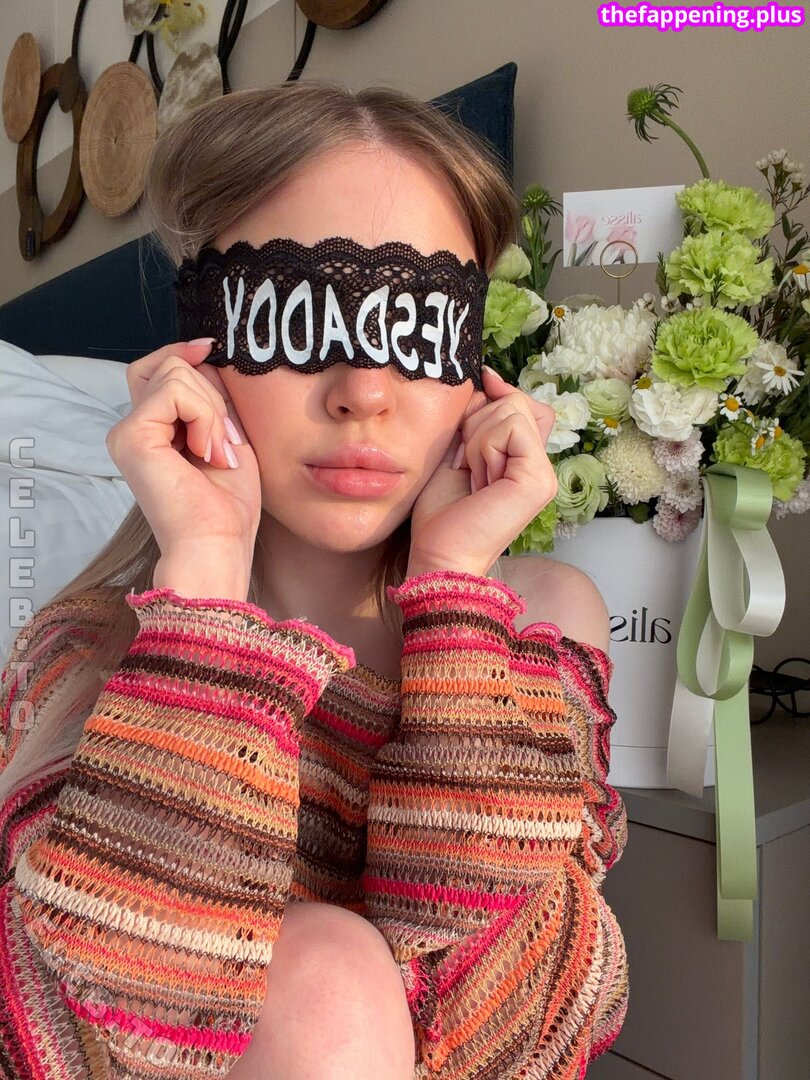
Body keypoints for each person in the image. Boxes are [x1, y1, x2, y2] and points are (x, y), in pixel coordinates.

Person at [0, 81, 629, 1079]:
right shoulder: (80, 657)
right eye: (299, 319)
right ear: (202, 355)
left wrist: (456, 602)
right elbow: (129, 1021)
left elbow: (510, 1026)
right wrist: (203, 595)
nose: (364, 393)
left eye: (415, 328)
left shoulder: (542, 627)